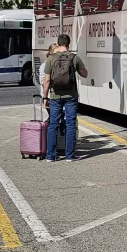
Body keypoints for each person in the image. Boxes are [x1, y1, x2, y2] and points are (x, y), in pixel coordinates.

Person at [42, 34, 88, 162]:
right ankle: (70, 155)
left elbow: (46, 80)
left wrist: (45, 97)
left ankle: (51, 156)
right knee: (70, 124)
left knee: (53, 124)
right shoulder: (74, 58)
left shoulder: (51, 59)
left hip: (55, 95)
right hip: (71, 96)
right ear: (69, 44)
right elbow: (85, 74)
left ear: (58, 43)